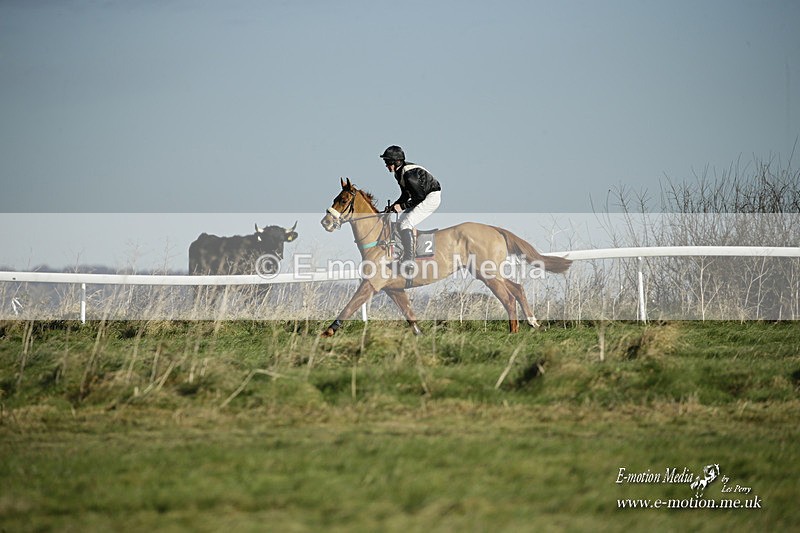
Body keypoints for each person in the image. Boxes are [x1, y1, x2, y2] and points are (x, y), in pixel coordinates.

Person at [380, 145, 442, 268]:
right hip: (422, 196)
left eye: (388, 162)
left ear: (396, 162)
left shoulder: (409, 174)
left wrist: (401, 206)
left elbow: (419, 197)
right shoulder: (399, 173)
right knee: (401, 223)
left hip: (431, 197)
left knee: (405, 224)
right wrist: (393, 206)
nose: (386, 165)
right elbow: (406, 194)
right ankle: (402, 255)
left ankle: (409, 261)